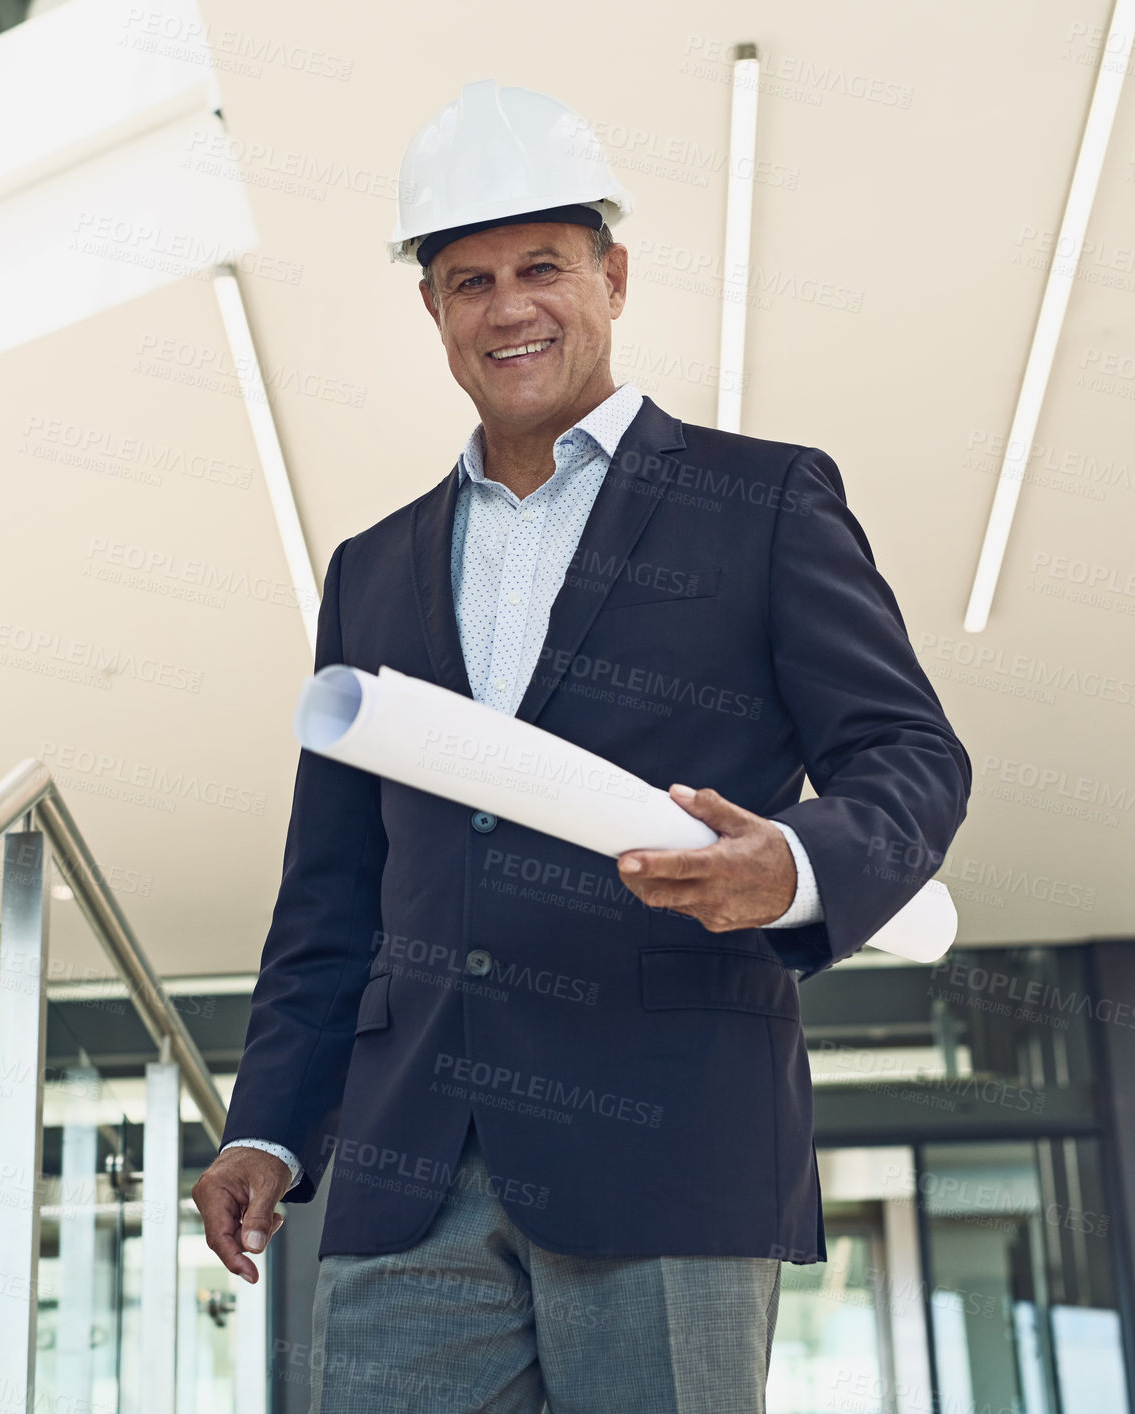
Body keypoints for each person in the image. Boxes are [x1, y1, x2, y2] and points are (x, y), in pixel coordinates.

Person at [192, 79, 971, 1412]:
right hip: (407, 1157)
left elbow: (907, 754)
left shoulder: (762, 500)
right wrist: (268, 1117)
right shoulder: (369, 570)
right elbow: (329, 887)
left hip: (663, 1134)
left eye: (541, 267)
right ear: (432, 312)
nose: (508, 307)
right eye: (467, 279)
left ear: (611, 276)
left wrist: (786, 864)